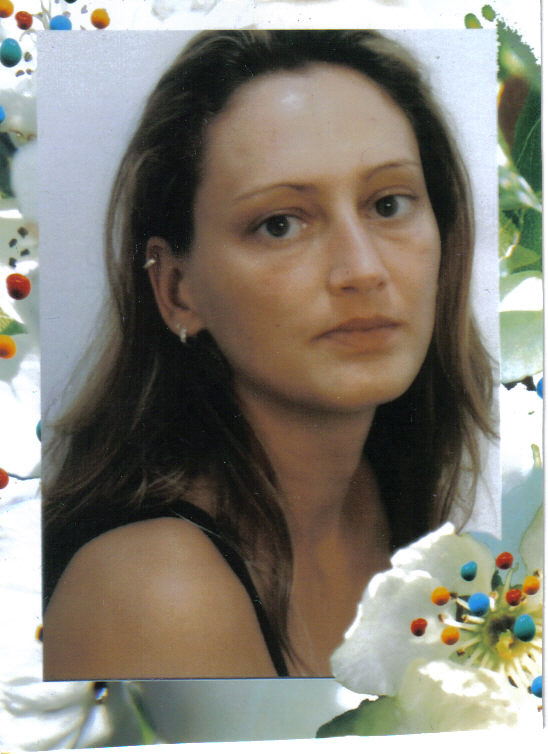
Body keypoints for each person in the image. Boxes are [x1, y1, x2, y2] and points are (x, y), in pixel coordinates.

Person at [42, 30, 495, 679]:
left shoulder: (388, 491)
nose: (363, 270)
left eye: (388, 204)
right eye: (279, 223)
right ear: (177, 290)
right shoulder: (155, 592)